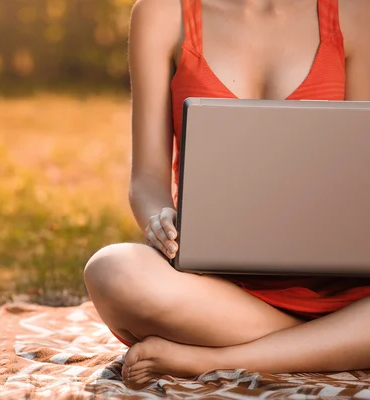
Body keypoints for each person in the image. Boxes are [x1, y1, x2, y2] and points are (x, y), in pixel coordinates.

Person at [83, 0, 370, 386]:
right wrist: (159, 217)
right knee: (112, 271)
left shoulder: (356, 13)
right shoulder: (162, 13)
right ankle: (333, 341)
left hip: (343, 290)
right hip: (220, 294)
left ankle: (210, 358)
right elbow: (147, 177)